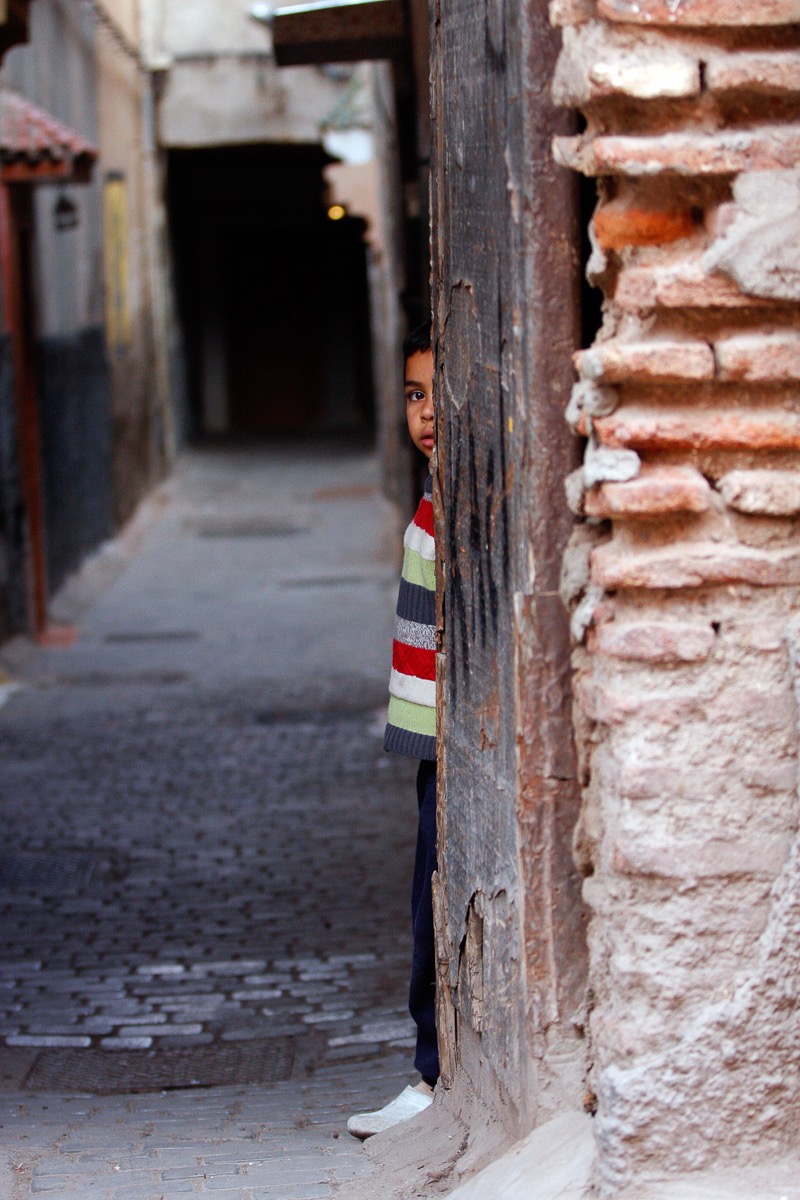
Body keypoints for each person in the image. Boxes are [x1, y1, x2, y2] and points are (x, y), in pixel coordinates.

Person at [347, 320, 438, 1139]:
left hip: (459, 750)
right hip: (435, 750)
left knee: (433, 913)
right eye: (414, 393)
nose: (427, 412)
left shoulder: (467, 502)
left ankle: (434, 1074)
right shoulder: (437, 495)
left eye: (441, 391)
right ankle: (431, 1068)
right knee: (426, 906)